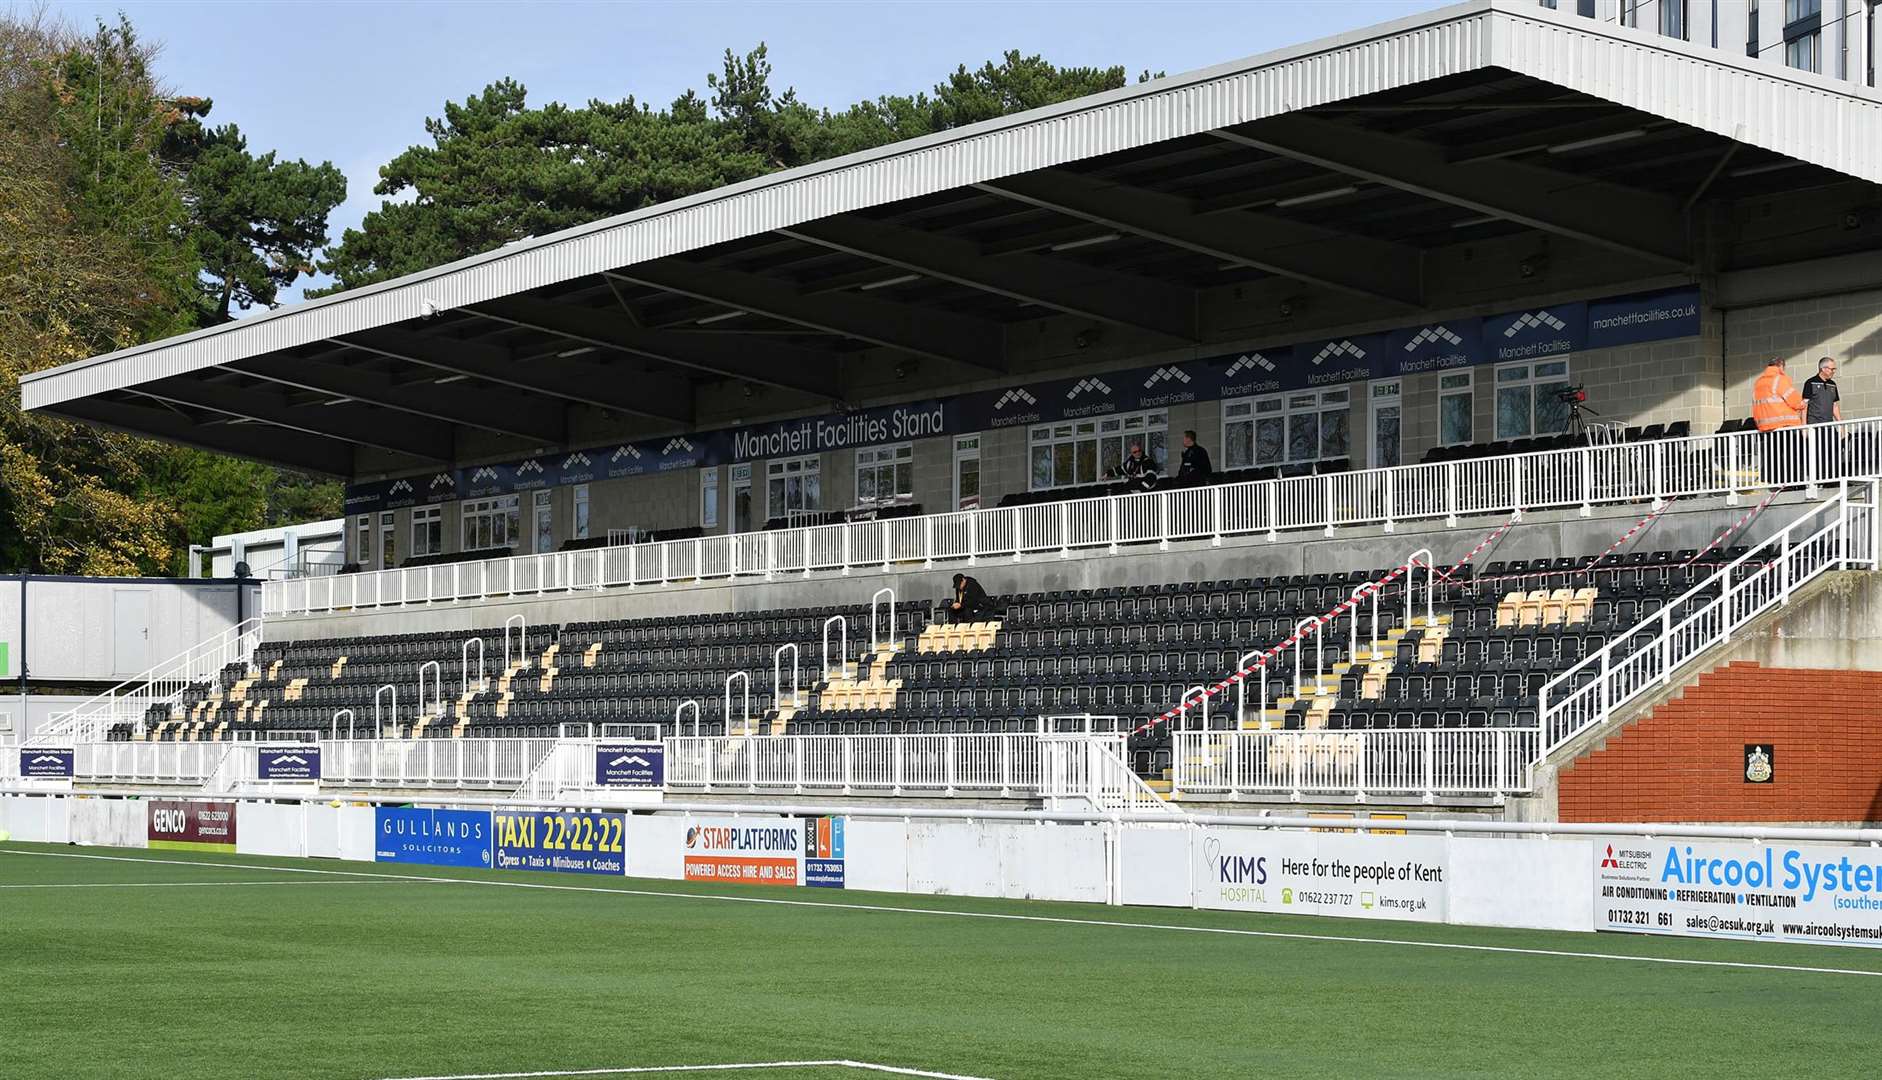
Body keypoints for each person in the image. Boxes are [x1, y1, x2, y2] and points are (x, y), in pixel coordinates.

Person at [1751, 356, 1806, 486]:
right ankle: (1794, 481)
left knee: (1772, 455)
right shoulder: (1779, 379)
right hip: (1783, 424)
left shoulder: (1759, 382)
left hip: (1766, 426)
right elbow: (1794, 400)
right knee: (1791, 455)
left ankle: (1774, 482)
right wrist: (1802, 404)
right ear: (1781, 366)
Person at [1802, 356, 1843, 479]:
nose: (1833, 371)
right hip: (1815, 425)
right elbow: (1804, 406)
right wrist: (1804, 427)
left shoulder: (1832, 385)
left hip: (1829, 425)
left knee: (1834, 451)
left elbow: (1834, 406)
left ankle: (1833, 478)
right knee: (1818, 453)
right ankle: (1819, 478)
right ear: (1823, 368)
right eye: (1832, 369)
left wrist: (1841, 424)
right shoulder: (1810, 383)